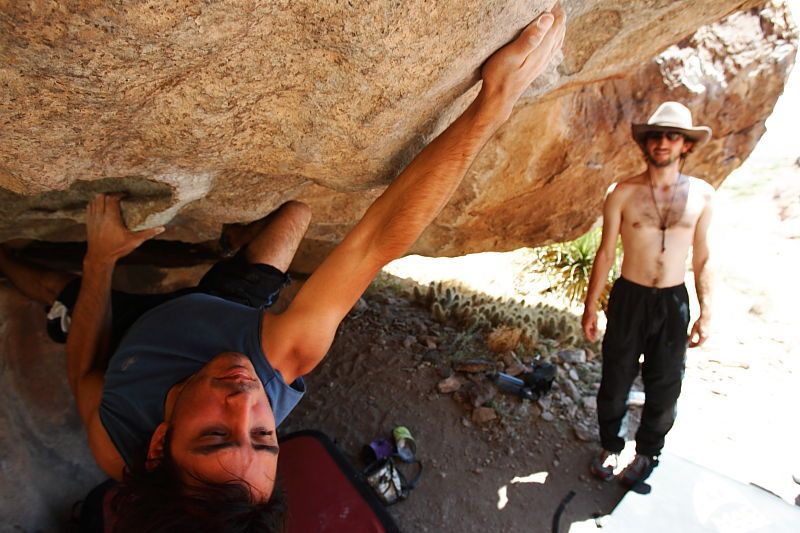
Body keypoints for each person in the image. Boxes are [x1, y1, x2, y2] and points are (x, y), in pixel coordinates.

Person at [0, 8, 566, 531]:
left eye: (215, 434)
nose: (247, 401)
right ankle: (231, 249)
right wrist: (494, 104)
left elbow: (83, 371)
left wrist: (100, 260)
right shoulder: (274, 361)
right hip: (227, 315)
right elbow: (374, 243)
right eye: (265, 438)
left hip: (143, 336)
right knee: (296, 217)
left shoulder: (116, 440)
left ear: (157, 445)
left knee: (54, 289)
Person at [581, 101, 714, 486]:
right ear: (646, 143)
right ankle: (610, 446)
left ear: (686, 145)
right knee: (615, 378)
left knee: (666, 383)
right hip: (629, 297)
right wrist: (590, 306)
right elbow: (606, 253)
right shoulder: (622, 192)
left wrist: (706, 312)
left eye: (673, 136)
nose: (662, 142)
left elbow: (703, 257)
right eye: (656, 136)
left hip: (673, 301)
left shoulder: (702, 196)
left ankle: (647, 452)